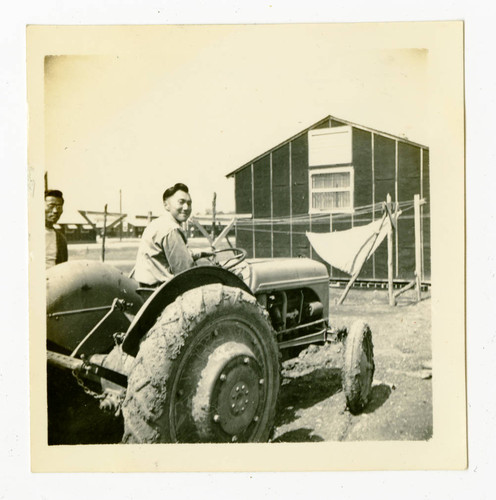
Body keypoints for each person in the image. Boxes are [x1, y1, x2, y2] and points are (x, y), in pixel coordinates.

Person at [134, 183, 213, 287]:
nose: (186, 207)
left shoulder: (158, 223)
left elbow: (169, 256)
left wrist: (201, 253)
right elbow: (185, 270)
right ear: (166, 205)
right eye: (181, 202)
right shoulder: (171, 229)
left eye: (189, 203)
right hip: (165, 291)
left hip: (147, 288)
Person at [45, 189, 68, 269]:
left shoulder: (61, 239)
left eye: (59, 207)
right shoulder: (29, 233)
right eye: (51, 206)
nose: (55, 211)